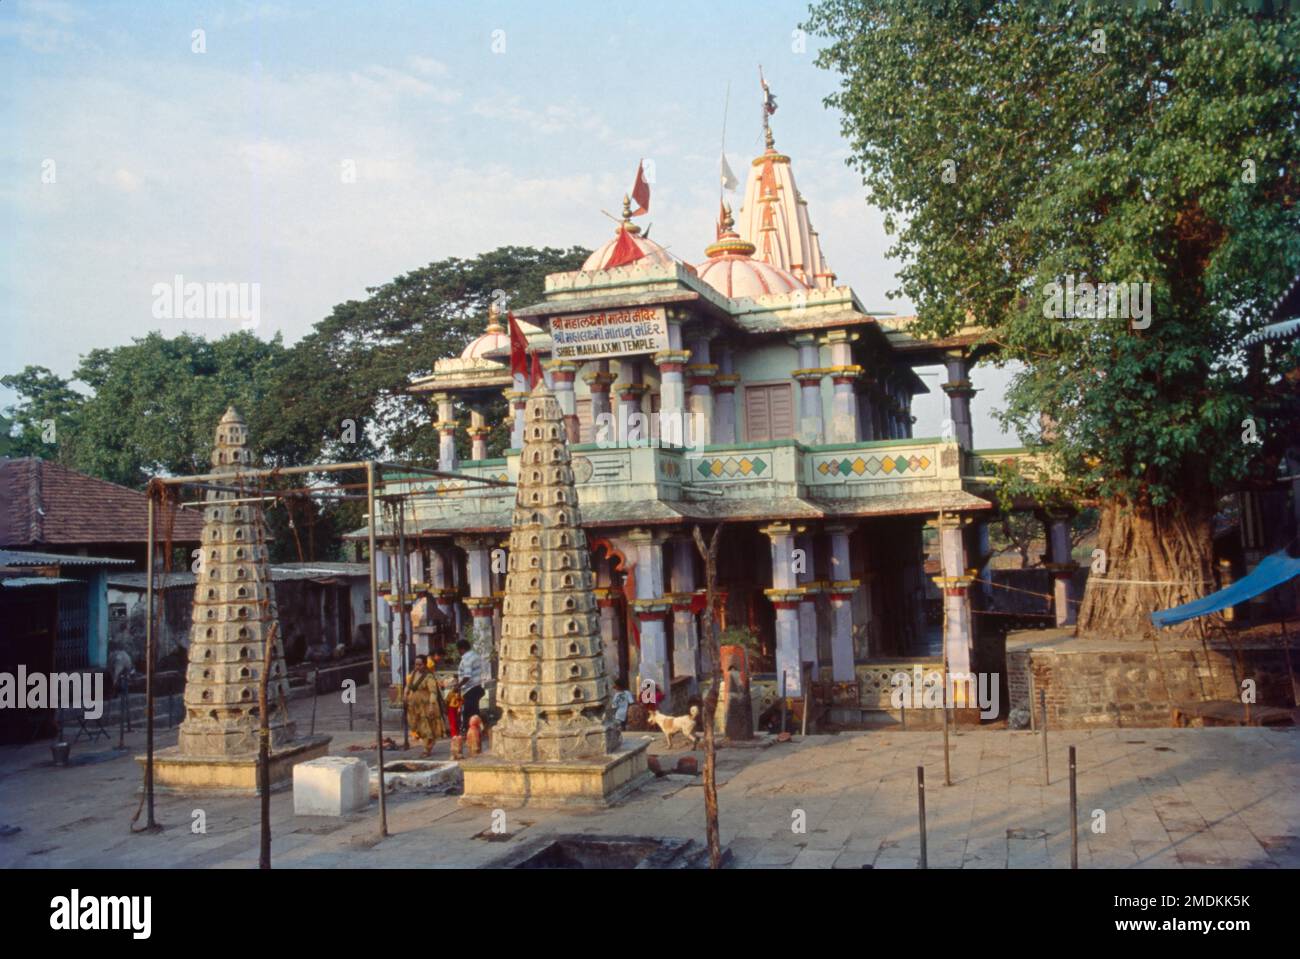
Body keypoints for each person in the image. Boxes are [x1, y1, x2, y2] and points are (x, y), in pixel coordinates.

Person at [404, 656, 448, 757]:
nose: (418, 667)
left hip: (426, 705)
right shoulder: (413, 674)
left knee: (427, 728)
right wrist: (405, 693)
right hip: (415, 706)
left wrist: (432, 705)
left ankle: (426, 749)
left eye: (420, 664)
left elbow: (433, 692)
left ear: (424, 664)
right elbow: (409, 685)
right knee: (417, 726)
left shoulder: (429, 676)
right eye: (416, 664)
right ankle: (426, 745)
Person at [456, 639, 485, 731]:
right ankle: (477, 730)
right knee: (474, 711)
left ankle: (469, 731)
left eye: (458, 650)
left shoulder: (466, 658)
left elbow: (467, 676)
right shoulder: (475, 655)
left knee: (468, 712)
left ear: (462, 649)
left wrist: (458, 686)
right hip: (477, 686)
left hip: (469, 689)